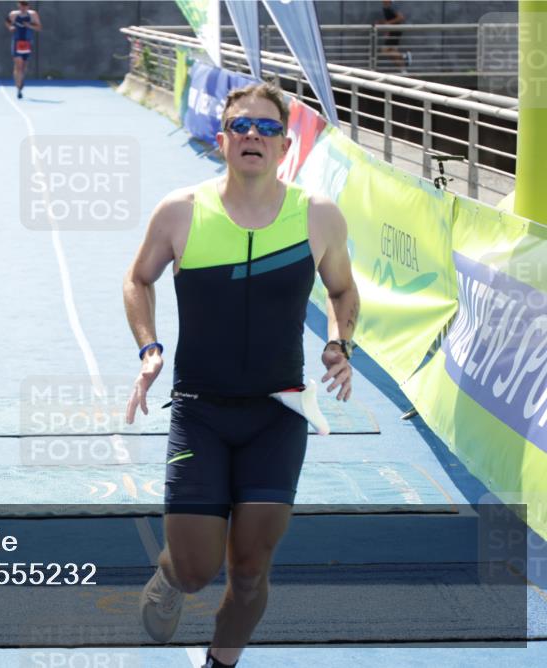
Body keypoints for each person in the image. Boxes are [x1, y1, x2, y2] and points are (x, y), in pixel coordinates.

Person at [123, 83, 359, 668]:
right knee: (199, 569)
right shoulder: (181, 210)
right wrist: (149, 348)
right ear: (221, 138)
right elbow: (138, 280)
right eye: (241, 126)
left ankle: (219, 664)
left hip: (278, 413)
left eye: (267, 128)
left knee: (251, 571)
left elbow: (342, 289)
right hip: (200, 411)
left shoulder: (318, 216)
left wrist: (338, 342)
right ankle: (171, 576)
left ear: (285, 145)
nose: (253, 135)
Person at [5, 1, 41, 99]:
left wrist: (29, 25)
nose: (23, 7)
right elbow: (7, 22)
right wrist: (11, 27)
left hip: (27, 43)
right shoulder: (13, 14)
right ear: (18, 5)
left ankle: (21, 80)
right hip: (17, 42)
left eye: (25, 5)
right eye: (21, 4)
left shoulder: (33, 14)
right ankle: (18, 88)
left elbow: (39, 27)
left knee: (24, 66)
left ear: (28, 6)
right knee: (18, 65)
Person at [377, 1, 411, 73]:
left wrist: (387, 23)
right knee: (393, 53)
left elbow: (400, 17)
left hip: (395, 31)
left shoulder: (392, 7)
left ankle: (404, 56)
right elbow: (390, 19)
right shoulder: (386, 7)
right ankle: (403, 71)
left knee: (384, 50)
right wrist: (385, 25)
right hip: (393, 31)